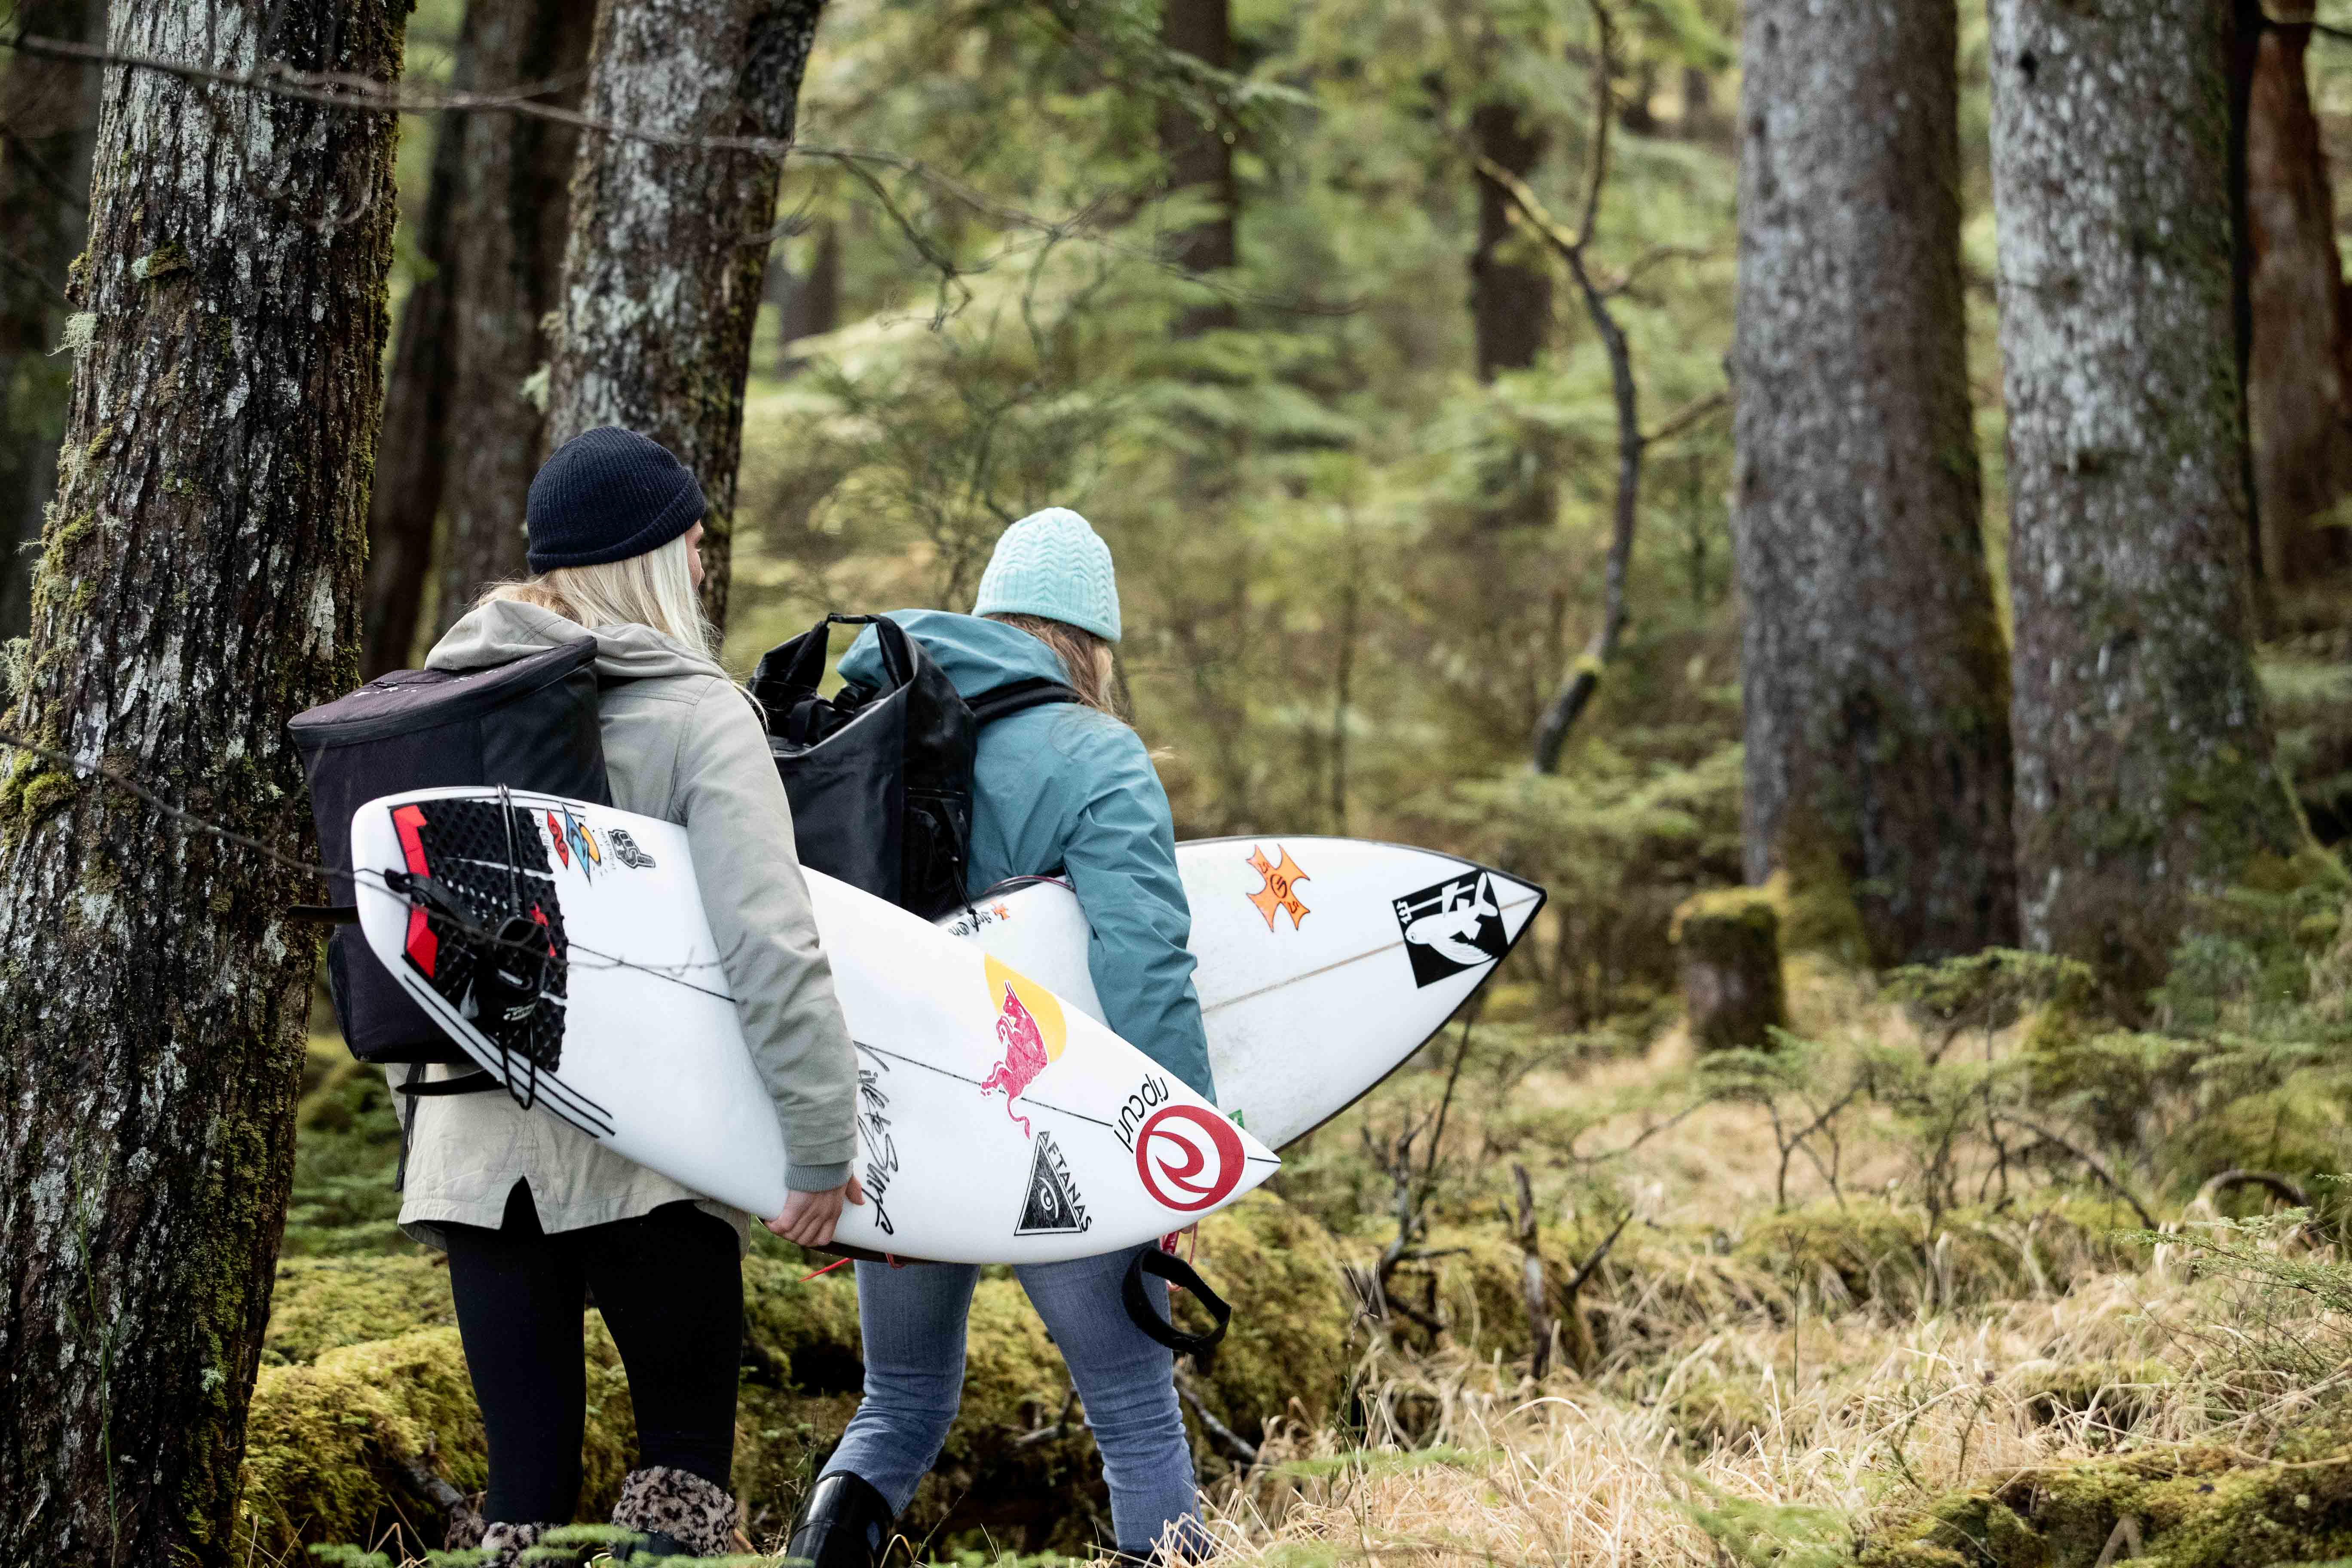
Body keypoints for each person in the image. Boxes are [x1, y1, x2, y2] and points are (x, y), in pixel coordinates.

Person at [402, 426, 863, 1565]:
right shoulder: (694, 711)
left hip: (474, 1151)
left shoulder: (442, 697)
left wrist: (429, 1142)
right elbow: (770, 940)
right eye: (695, 547)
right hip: (649, 1148)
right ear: (651, 558)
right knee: (683, 1470)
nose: (703, 569)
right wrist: (818, 1145)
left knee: (525, 1495)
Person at [787, 508, 1215, 1566]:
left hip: (898, 1125)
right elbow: (1145, 958)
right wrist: (1188, 1151)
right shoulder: (1096, 752)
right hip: (1051, 1125)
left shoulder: (872, 723)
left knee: (902, 1406)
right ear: (1094, 640)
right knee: (1131, 1411)